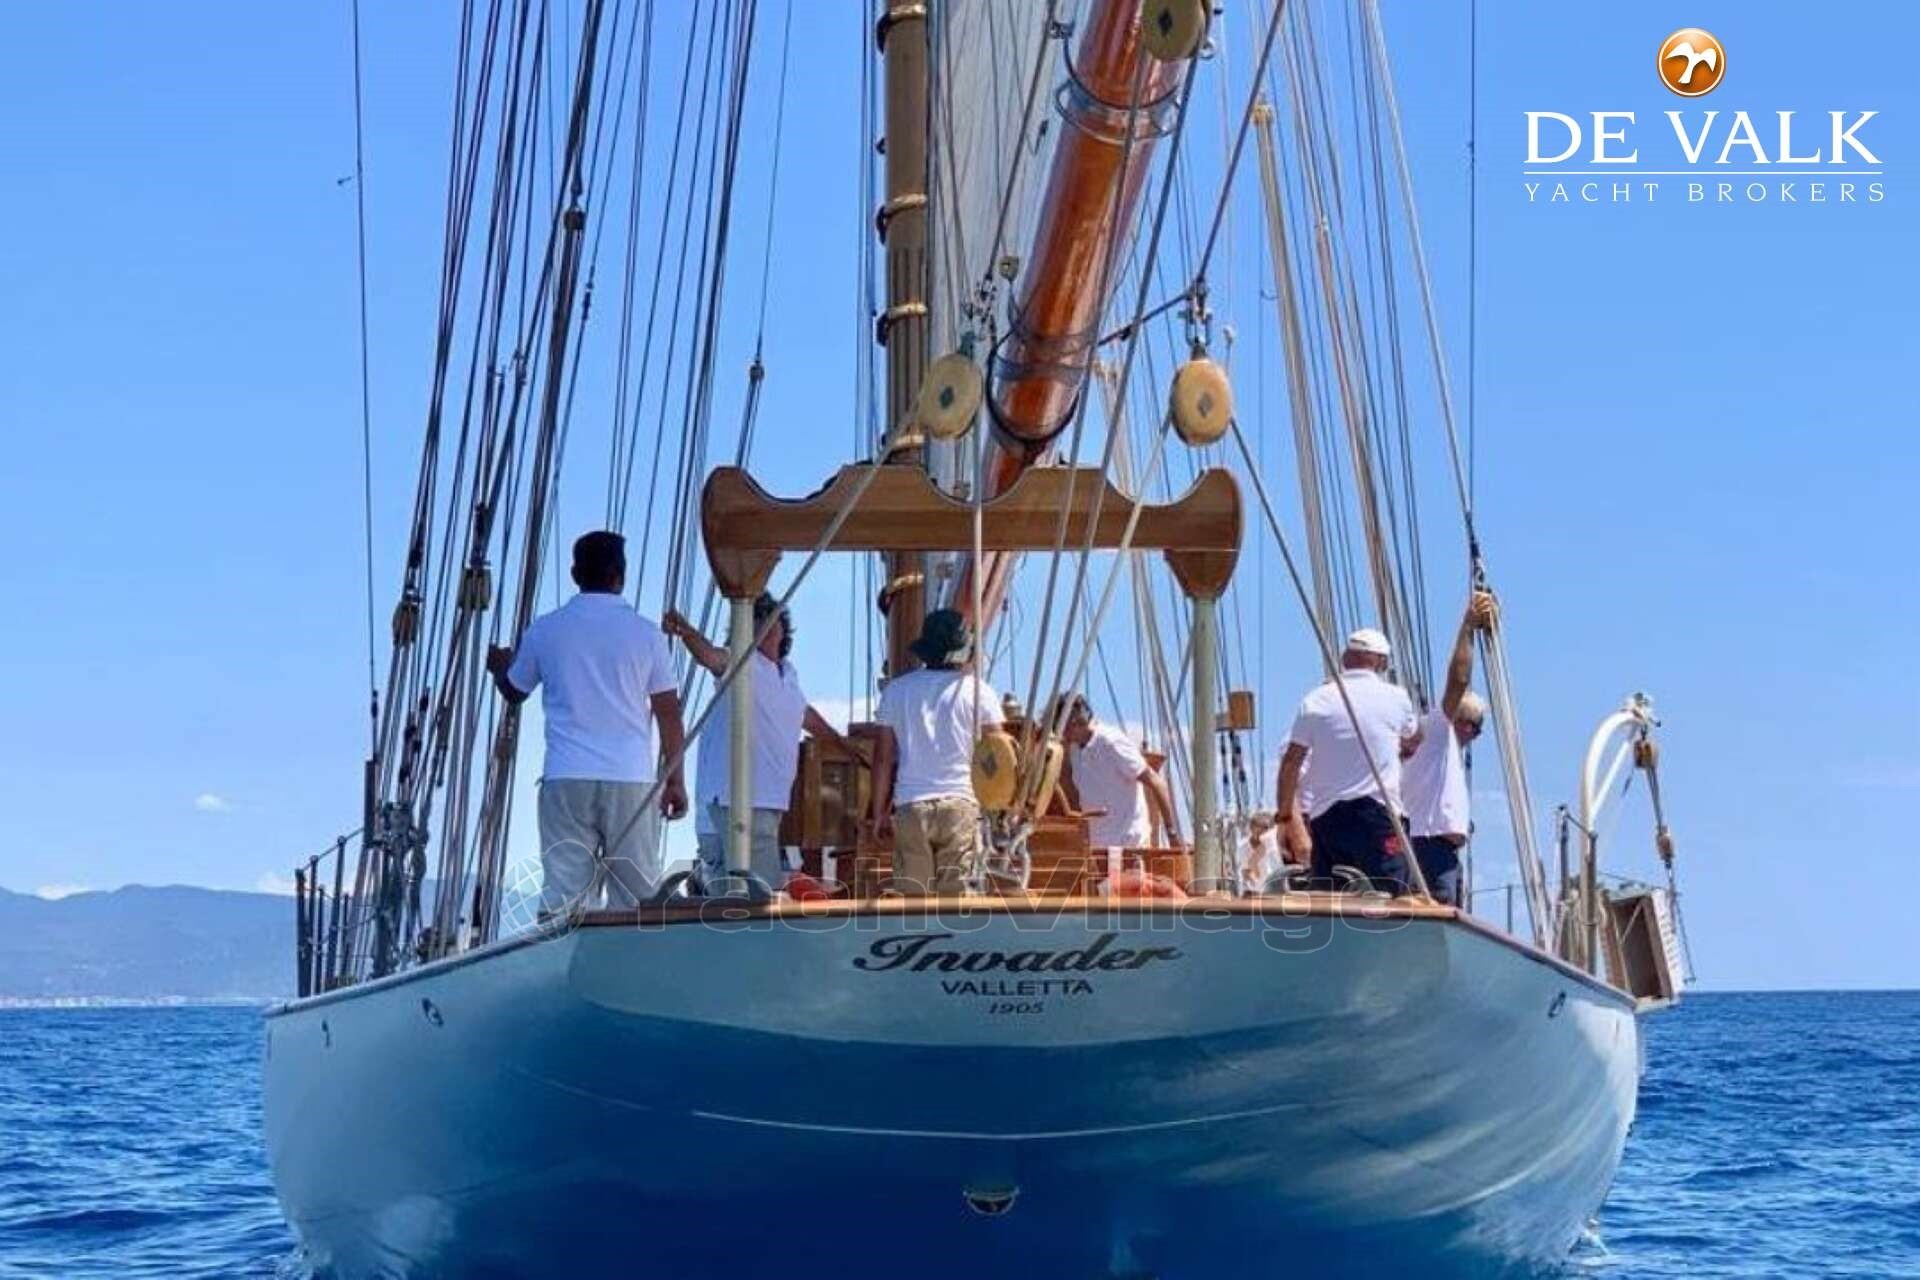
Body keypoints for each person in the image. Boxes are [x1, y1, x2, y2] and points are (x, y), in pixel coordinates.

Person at [486, 531, 687, 911]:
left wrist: (499, 666)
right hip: (630, 777)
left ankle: (566, 948)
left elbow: (514, 690)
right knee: (638, 899)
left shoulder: (545, 629)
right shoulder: (647, 635)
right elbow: (668, 712)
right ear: (620, 575)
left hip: (567, 776)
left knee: (565, 897)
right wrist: (675, 780)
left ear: (575, 574)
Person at [663, 596, 851, 893]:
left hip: (764, 800)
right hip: (742, 800)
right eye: (756, 618)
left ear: (782, 628)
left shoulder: (788, 675)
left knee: (735, 891)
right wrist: (684, 630)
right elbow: (710, 657)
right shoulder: (741, 662)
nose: (763, 623)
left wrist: (846, 747)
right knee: (760, 892)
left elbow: (808, 717)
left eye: (767, 616)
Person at [1275, 627, 1421, 894]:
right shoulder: (1397, 698)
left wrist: (1285, 814)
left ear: (1345, 658)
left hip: (1328, 819)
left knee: (1329, 899)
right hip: (1378, 815)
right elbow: (1412, 738)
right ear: (1381, 662)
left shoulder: (1316, 700)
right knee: (1391, 895)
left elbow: (1291, 761)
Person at [868, 609, 1002, 896]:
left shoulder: (897, 691)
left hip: (911, 806)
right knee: (955, 901)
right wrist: (1001, 807)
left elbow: (883, 758)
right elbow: (1000, 754)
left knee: (913, 900)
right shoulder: (979, 692)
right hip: (960, 803)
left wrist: (879, 812)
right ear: (963, 649)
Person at [1402, 591, 1497, 906]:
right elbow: (1458, 680)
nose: (1476, 736)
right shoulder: (1437, 731)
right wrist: (1468, 625)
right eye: (1476, 727)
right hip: (1429, 849)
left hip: (1440, 851)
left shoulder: (1442, 750)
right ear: (1463, 724)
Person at [1052, 694, 1180, 850]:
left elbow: (1157, 783)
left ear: (1075, 722)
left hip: (1130, 847)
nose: (1062, 735)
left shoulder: (1112, 742)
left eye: (1062, 729)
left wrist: (1172, 834)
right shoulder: (1075, 751)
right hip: (1099, 849)